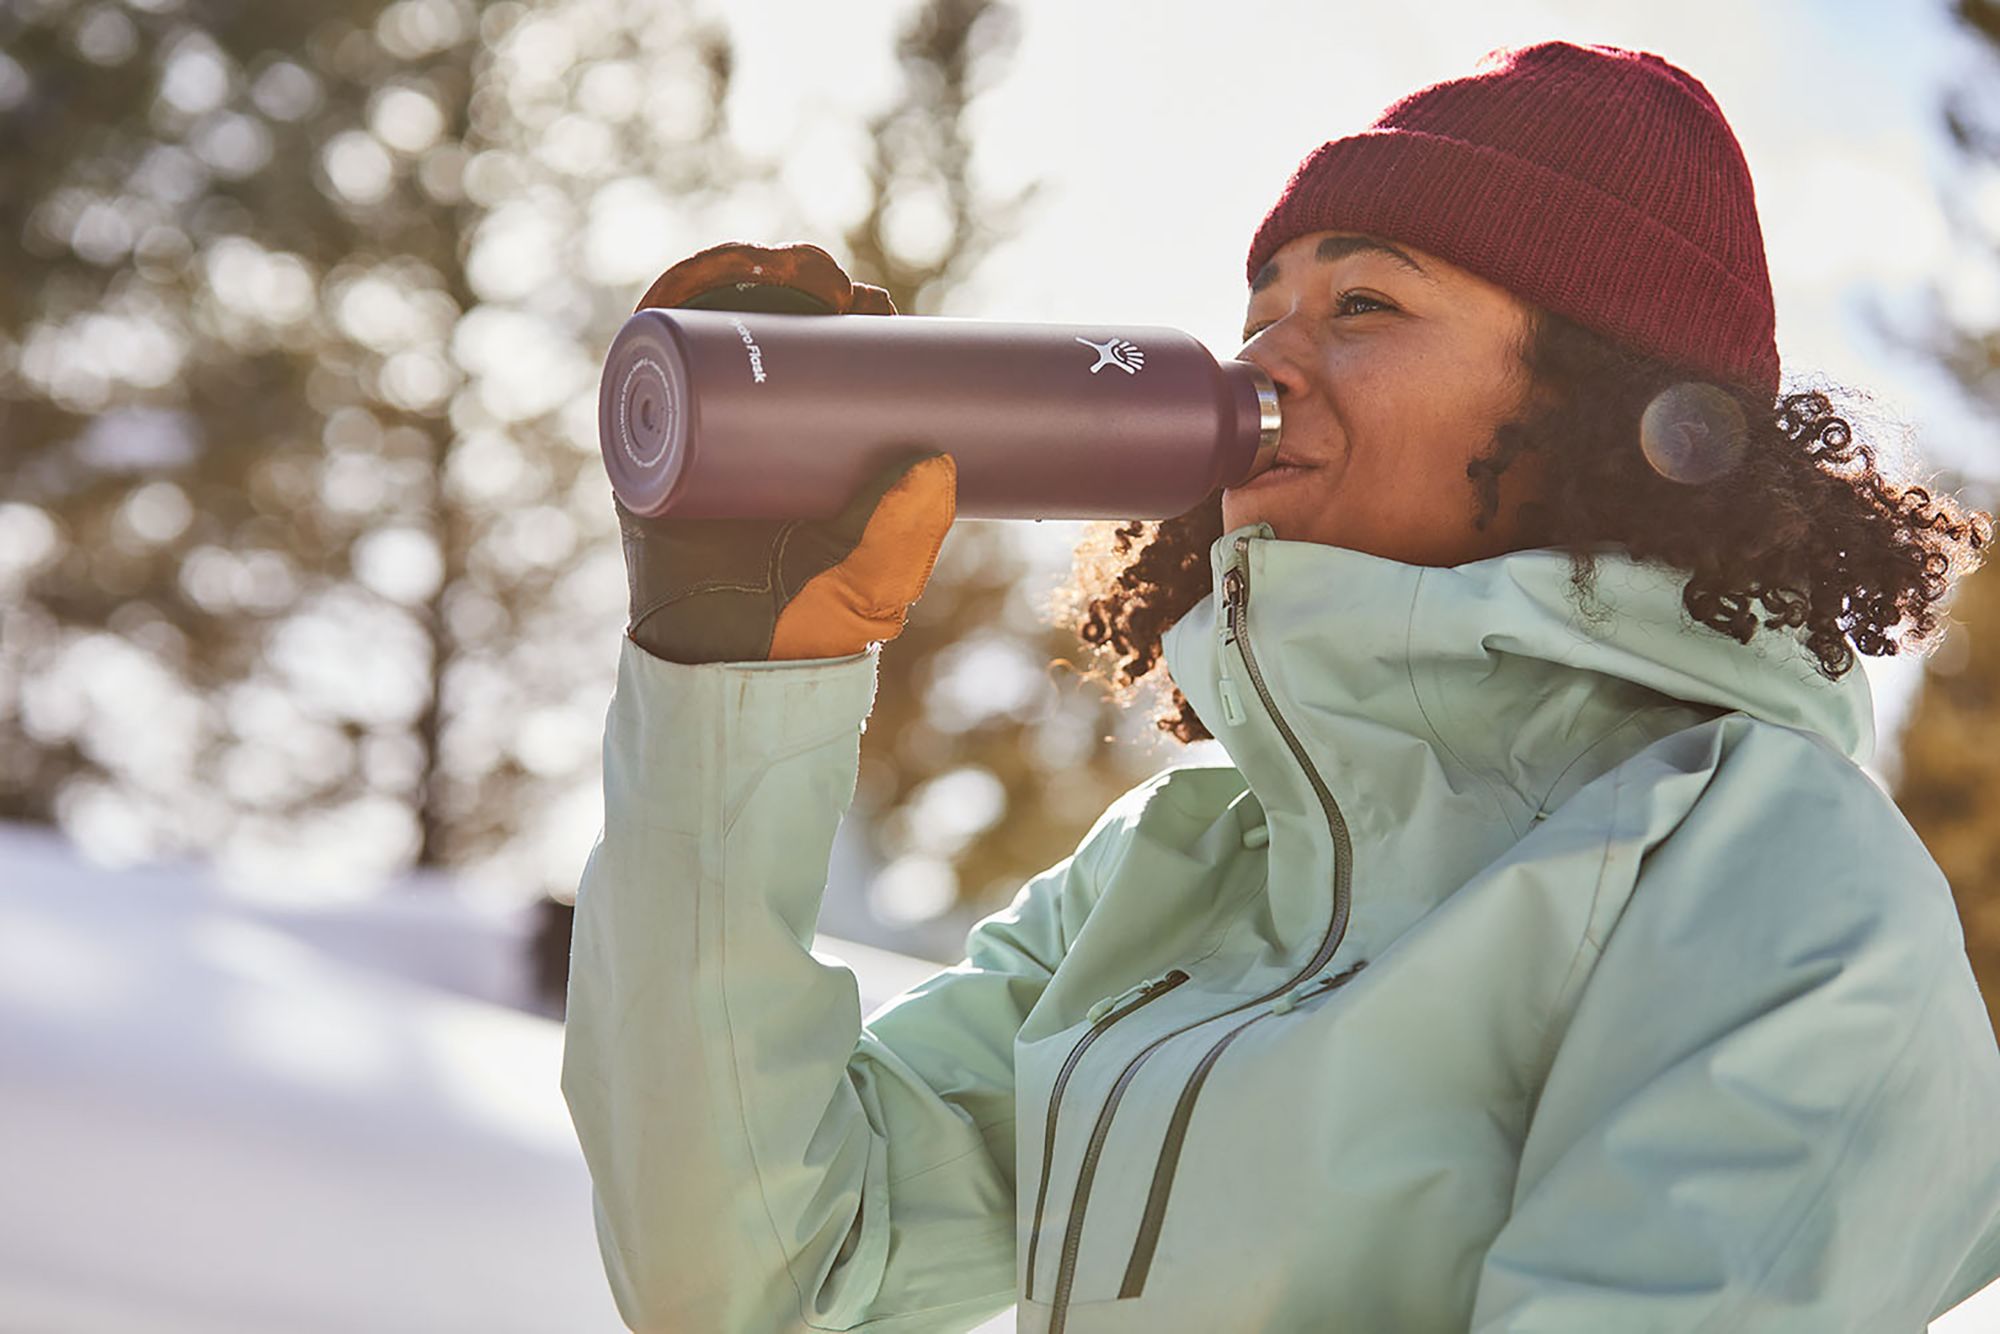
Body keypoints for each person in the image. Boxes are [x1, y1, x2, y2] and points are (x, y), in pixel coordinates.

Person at [560, 40, 2000, 1333]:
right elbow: (755, 1277)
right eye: (1263, 306)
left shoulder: (1772, 879)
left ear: (1595, 405)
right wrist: (727, 678)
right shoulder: (1184, 869)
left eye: (1364, 303)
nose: (1266, 360)